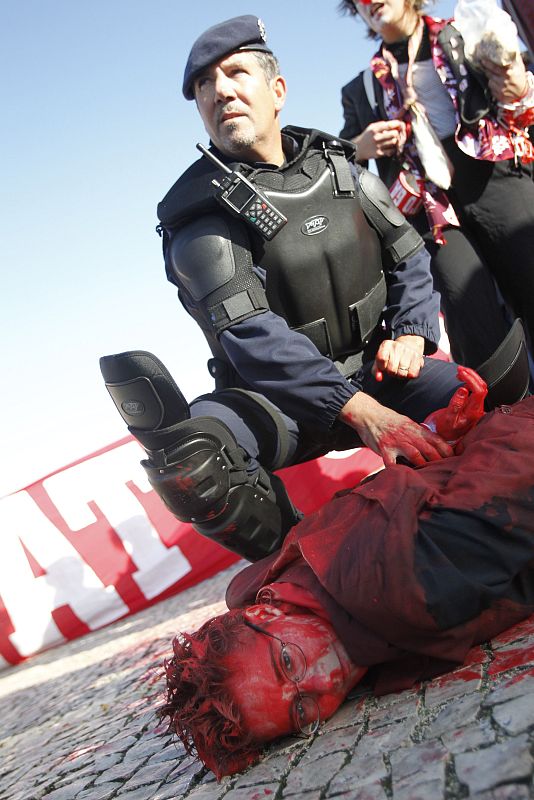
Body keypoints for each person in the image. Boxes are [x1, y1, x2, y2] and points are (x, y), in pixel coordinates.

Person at [101, 13, 471, 565]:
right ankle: (301, 575)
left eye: (236, 73)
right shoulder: (199, 210)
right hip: (277, 403)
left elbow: (410, 256)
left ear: (277, 90)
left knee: (488, 402)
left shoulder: (341, 168)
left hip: (380, 373)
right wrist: (360, 411)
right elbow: (249, 332)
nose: (220, 91)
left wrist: (414, 332)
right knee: (191, 464)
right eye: (204, 85)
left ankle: (471, 536)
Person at [159, 369, 534, 779]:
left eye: (289, 662)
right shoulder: (270, 591)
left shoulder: (400, 584)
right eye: (302, 711)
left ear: (262, 613)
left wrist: (440, 437)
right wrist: (451, 442)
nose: (323, 683)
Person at [338, 0, 534, 369]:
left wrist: (518, 84)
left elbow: (519, 95)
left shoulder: (464, 34)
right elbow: (342, 164)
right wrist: (360, 147)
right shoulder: (361, 88)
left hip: (496, 180)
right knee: (471, 318)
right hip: (431, 212)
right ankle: (505, 404)